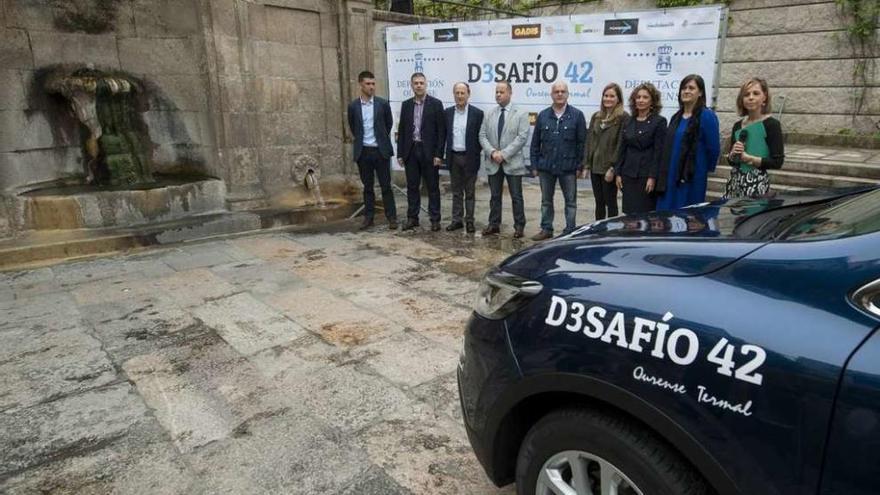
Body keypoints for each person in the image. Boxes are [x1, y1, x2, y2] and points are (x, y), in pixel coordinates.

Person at [529, 81, 587, 240]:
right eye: (556, 92)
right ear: (552, 94)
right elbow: (535, 143)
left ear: (567, 94)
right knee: (546, 201)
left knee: (570, 202)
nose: (560, 94)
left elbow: (582, 143)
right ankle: (546, 229)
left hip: (568, 167)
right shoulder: (543, 115)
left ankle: (570, 231)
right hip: (546, 167)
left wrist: (580, 166)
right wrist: (534, 165)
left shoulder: (577, 115)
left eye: (563, 91)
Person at [656, 74, 721, 210]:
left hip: (692, 176)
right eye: (684, 88)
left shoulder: (707, 116)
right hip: (670, 174)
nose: (686, 91)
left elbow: (713, 149)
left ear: (700, 93)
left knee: (687, 215)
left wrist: (701, 169)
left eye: (691, 88)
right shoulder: (676, 117)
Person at [479, 81, 530, 238]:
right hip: (493, 162)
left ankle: (519, 226)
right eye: (496, 92)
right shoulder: (490, 113)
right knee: (495, 196)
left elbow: (522, 137)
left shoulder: (520, 113)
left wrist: (504, 154)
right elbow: (482, 135)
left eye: (501, 92)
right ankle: (494, 224)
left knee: (516, 196)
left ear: (509, 93)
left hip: (512, 163)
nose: (498, 95)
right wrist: (493, 152)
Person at [347, 70, 398, 230]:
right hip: (364, 152)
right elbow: (353, 126)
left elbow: (388, 124)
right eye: (368, 84)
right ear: (361, 84)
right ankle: (369, 218)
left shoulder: (382, 104)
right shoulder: (353, 106)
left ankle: (392, 218)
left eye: (373, 84)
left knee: (386, 186)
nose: (371, 87)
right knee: (368, 187)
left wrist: (380, 140)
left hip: (380, 151)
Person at [396, 72, 445, 231]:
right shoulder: (406, 105)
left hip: (429, 152)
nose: (418, 85)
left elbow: (441, 132)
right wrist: (400, 153)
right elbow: (402, 130)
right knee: (412, 186)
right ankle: (412, 218)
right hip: (411, 151)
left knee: (432, 187)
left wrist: (439, 154)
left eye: (421, 83)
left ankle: (435, 219)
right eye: (415, 83)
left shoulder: (436, 104)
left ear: (426, 85)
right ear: (411, 85)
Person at [724, 77, 785, 198]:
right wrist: (732, 155)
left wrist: (749, 158)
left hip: (757, 183)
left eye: (756, 93)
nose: (751, 97)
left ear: (764, 98)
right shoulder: (737, 126)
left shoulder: (772, 125)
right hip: (735, 182)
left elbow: (777, 162)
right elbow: (732, 161)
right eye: (746, 94)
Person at [616, 82, 667, 215]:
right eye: (638, 97)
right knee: (629, 214)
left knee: (645, 214)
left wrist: (652, 177)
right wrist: (618, 173)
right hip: (628, 174)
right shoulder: (628, 120)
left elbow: (658, 152)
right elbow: (622, 148)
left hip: (645, 176)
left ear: (652, 101)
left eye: (645, 97)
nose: (641, 100)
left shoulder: (659, 121)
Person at [442, 82, 484, 233]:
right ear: (454, 95)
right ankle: (456, 220)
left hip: (470, 158)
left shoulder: (477, 114)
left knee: (470, 192)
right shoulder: (447, 113)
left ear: (468, 94)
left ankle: (470, 221)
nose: (459, 96)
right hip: (454, 157)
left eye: (462, 93)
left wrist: (474, 152)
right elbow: (443, 136)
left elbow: (481, 137)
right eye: (457, 93)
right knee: (456, 191)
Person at [584, 83, 628, 220]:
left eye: (612, 96)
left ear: (618, 99)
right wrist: (586, 164)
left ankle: (611, 231)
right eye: (605, 95)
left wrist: (613, 168)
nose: (608, 98)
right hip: (595, 167)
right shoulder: (596, 116)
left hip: (609, 169)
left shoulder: (623, 117)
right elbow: (589, 140)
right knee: (599, 202)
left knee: (611, 202)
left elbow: (621, 144)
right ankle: (599, 232)